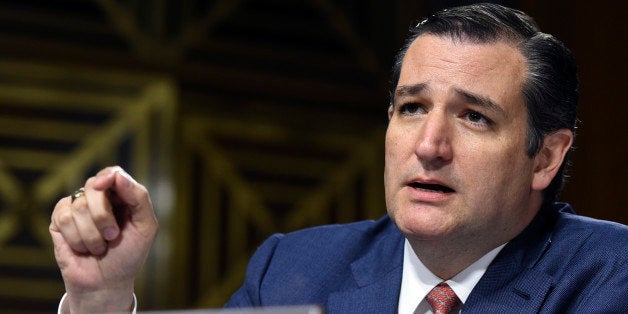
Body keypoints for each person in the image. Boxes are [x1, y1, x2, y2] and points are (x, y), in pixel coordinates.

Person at [50, 3, 627, 313]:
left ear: (545, 158)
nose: (429, 145)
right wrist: (98, 300)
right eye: (410, 108)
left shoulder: (611, 278)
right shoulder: (293, 268)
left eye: (474, 117)